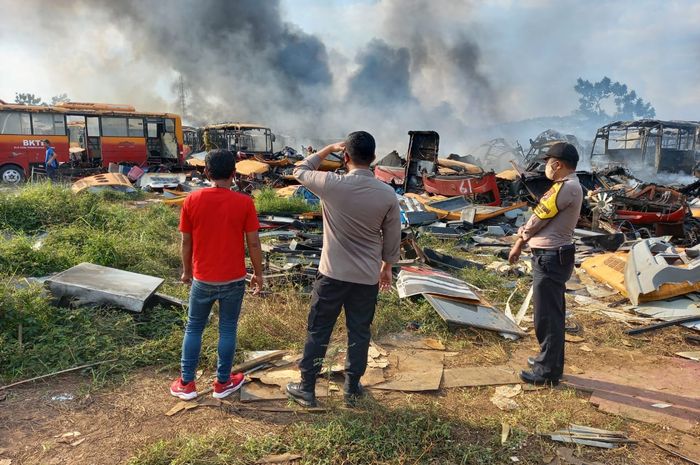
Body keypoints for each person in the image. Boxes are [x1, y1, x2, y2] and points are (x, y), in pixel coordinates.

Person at [286, 131, 401, 407]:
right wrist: (387, 267)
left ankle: (307, 388)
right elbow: (393, 236)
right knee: (359, 331)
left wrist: (326, 150)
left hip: (332, 275)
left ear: (346, 156)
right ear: (373, 158)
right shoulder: (387, 194)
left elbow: (299, 169)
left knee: (319, 330)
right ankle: (351, 388)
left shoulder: (330, 184)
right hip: (365, 277)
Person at [170, 149, 264, 400]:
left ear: (206, 172)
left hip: (202, 279)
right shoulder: (244, 203)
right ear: (234, 174)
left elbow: (186, 243)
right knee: (228, 329)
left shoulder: (192, 200)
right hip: (233, 279)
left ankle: (186, 384)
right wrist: (258, 274)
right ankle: (222, 383)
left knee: (194, 328)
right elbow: (254, 244)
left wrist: (187, 272)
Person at [508, 142, 583, 386]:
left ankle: (547, 371)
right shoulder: (569, 186)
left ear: (558, 164)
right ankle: (548, 361)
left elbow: (539, 216)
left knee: (547, 315)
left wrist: (519, 241)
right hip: (552, 255)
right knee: (550, 313)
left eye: (549, 162)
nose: (547, 167)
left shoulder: (565, 187)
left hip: (551, 256)